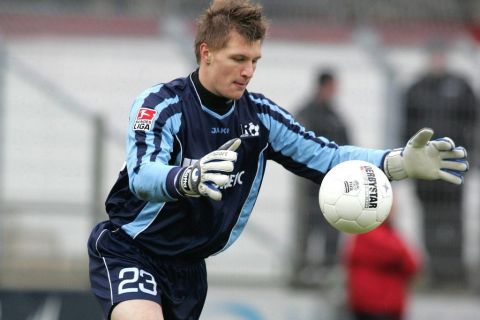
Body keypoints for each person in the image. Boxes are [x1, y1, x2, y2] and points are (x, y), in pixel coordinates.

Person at [87, 1, 469, 319]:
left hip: (189, 268)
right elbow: (142, 174)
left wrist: (399, 162)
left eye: (255, 60)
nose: (248, 71)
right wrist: (185, 177)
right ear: (205, 52)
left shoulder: (261, 118)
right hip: (132, 249)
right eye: (238, 58)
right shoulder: (161, 105)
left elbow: (327, 156)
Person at [402, 38, 477, 286]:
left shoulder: (461, 86)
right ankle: (434, 270)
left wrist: (474, 156)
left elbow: (474, 122)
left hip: (452, 164)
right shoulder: (415, 89)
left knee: (454, 218)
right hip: (424, 168)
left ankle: (453, 270)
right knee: (429, 218)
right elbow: (405, 130)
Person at [291, 70, 350, 287]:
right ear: (324, 86)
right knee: (307, 231)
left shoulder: (336, 115)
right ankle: (301, 273)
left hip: (333, 185)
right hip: (310, 185)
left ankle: (327, 272)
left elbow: (347, 147)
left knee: (331, 231)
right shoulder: (306, 113)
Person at [344, 203, 422, 320]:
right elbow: (411, 263)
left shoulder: (359, 232)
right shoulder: (386, 236)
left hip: (362, 304)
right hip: (384, 306)